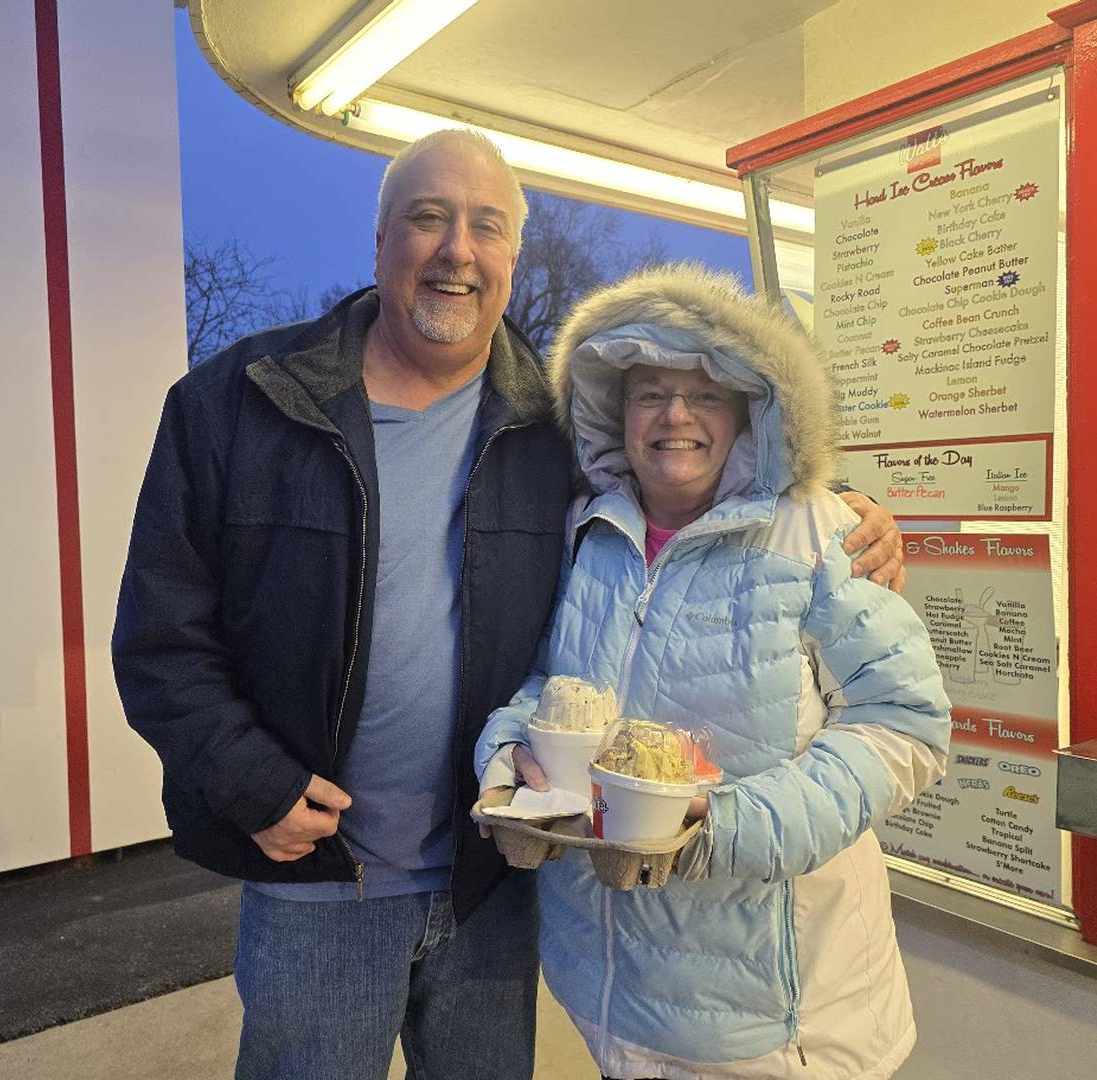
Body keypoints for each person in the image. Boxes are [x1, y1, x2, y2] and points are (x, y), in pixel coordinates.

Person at [113, 129, 906, 1080]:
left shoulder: (551, 429)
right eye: (428, 218)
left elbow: (695, 470)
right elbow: (161, 640)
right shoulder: (238, 405)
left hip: (496, 882)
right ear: (379, 243)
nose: (457, 249)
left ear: (511, 259)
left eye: (485, 227)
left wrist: (839, 505)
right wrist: (249, 784)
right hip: (319, 886)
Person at [476, 264, 951, 1080]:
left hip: (776, 1022)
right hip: (610, 990)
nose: (675, 415)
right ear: (614, 415)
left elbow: (906, 726)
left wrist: (724, 824)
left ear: (747, 412)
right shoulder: (588, 537)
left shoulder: (820, 535)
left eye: (703, 392)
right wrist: (509, 753)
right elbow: (549, 684)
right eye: (648, 393)